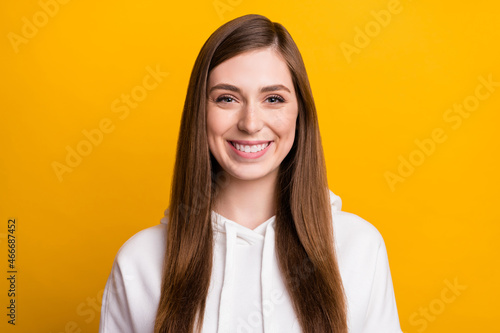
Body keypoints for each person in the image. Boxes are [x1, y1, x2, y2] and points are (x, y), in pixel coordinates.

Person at [99, 14, 403, 333]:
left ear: (300, 113)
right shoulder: (139, 261)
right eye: (227, 98)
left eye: (273, 99)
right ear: (200, 112)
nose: (251, 123)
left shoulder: (360, 247)